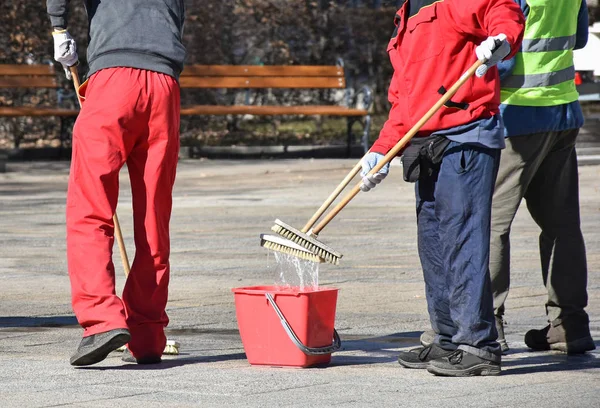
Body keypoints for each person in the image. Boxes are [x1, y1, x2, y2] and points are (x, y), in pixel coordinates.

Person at [360, 0, 524, 376]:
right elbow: (404, 96)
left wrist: (502, 39)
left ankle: (478, 345)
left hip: (465, 136)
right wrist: (381, 150)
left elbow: (502, 11)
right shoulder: (406, 18)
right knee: (433, 243)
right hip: (425, 142)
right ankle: (448, 339)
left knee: (462, 239)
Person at [46, 0, 186, 366]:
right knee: (154, 219)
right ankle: (147, 334)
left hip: (114, 80)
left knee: (89, 207)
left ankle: (101, 321)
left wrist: (59, 27)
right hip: (165, 85)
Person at [490, 0, 595, 354]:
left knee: (490, 221)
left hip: (515, 114)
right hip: (562, 110)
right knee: (562, 225)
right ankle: (570, 324)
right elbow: (578, 38)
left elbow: (498, 56)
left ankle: (485, 324)